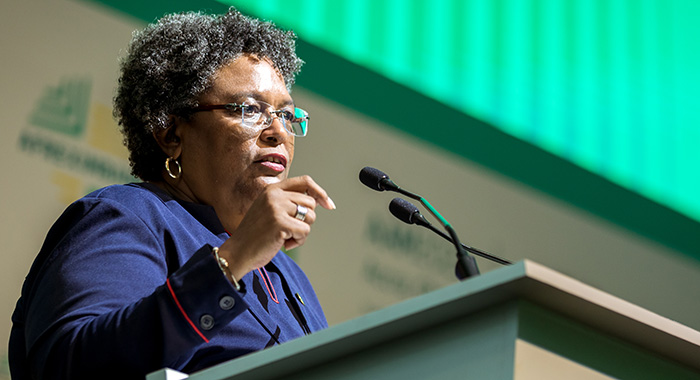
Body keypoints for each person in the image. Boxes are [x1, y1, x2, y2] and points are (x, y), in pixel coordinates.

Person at [9, 8, 335, 379]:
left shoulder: (288, 277)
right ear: (171, 134)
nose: (278, 130)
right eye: (249, 110)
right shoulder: (128, 215)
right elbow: (71, 366)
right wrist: (231, 262)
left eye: (288, 115)